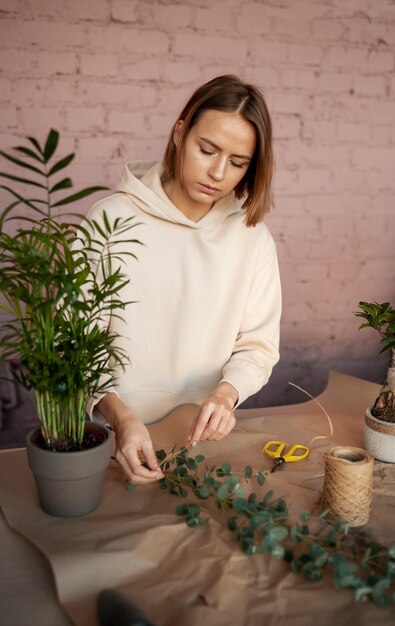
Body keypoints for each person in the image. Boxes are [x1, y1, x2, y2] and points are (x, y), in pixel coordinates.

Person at [86, 75, 282, 485]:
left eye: (237, 162)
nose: (217, 172)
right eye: (207, 149)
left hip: (204, 448)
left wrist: (226, 396)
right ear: (179, 132)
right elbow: (76, 345)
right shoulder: (110, 220)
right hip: (113, 444)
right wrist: (120, 418)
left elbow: (258, 347)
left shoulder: (252, 239)